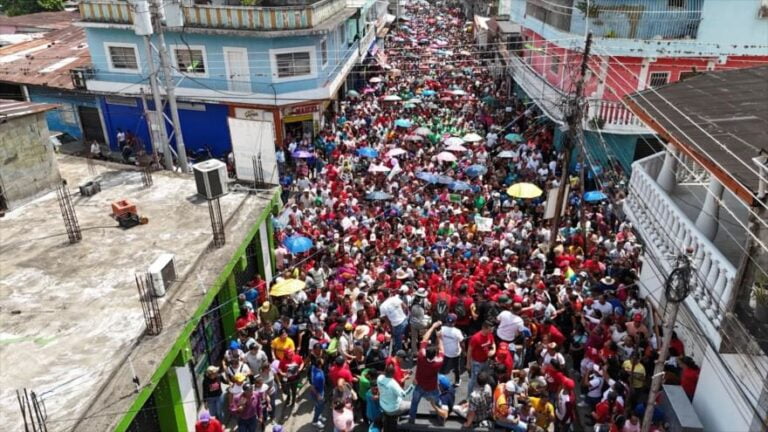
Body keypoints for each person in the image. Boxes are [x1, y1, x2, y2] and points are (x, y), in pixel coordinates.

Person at [408, 321, 447, 423]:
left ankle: (411, 420)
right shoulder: (438, 362)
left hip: (419, 386)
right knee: (437, 403)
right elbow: (442, 350)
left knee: (414, 403)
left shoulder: (421, 356)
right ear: (435, 355)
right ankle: (441, 419)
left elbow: (424, 339)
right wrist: (439, 337)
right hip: (432, 388)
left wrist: (433, 326)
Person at [377, 363, 411, 432]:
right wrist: (413, 385)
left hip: (383, 405)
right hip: (393, 409)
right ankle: (406, 418)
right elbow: (404, 394)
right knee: (411, 404)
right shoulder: (393, 384)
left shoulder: (379, 378)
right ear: (393, 373)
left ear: (384, 371)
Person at [467, 320, 496, 394]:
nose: (491, 331)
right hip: (477, 363)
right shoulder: (475, 338)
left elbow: (493, 343)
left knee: (483, 378)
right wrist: (468, 363)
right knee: (474, 380)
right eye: (489, 329)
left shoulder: (490, 335)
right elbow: (469, 351)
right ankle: (470, 396)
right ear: (484, 328)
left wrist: (493, 350)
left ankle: (480, 392)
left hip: (486, 361)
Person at [439, 313, 464, 385]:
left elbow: (439, 337)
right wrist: (464, 351)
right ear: (455, 322)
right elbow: (462, 342)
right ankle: (457, 381)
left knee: (443, 366)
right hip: (455, 353)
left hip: (445, 352)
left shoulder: (442, 329)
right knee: (456, 368)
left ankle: (440, 379)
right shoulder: (457, 331)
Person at [308, 357, 328, 428]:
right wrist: (318, 395)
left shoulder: (313, 368)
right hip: (318, 393)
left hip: (320, 391)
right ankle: (315, 421)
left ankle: (319, 416)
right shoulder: (318, 376)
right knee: (319, 407)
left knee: (319, 406)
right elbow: (312, 387)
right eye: (322, 362)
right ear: (319, 365)